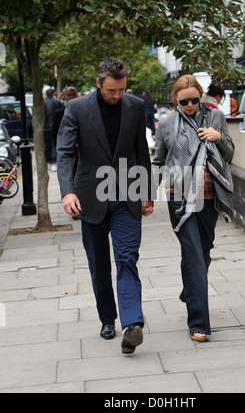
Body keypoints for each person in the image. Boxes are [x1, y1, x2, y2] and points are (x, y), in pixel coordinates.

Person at [56, 57, 154, 354]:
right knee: (99, 264)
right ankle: (107, 318)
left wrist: (147, 191)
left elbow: (141, 151)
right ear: (99, 84)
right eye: (111, 90)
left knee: (127, 259)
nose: (117, 95)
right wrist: (67, 192)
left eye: (122, 89)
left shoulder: (135, 106)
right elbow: (65, 153)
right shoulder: (76, 108)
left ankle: (131, 325)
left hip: (126, 196)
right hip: (89, 197)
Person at [152, 75, 234, 342]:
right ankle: (199, 323)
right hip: (180, 196)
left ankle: (190, 290)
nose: (189, 105)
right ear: (175, 99)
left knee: (205, 250)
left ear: (201, 96)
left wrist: (218, 136)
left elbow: (230, 153)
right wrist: (146, 194)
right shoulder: (166, 124)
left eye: (194, 100)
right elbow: (158, 161)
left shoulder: (215, 117)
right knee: (194, 256)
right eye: (183, 101)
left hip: (210, 195)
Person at [44, 88, 62, 171]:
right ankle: (53, 162)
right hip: (54, 127)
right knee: (53, 144)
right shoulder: (57, 103)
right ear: (53, 94)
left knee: (46, 145)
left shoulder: (42, 103)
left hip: (45, 128)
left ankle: (48, 161)